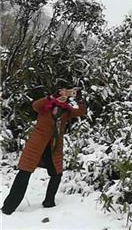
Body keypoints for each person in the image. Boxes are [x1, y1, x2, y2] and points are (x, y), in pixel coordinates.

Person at [2, 87, 87, 215]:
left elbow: (81, 111)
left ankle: (49, 202)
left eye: (66, 95)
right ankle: (8, 207)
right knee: (24, 174)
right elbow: (35, 105)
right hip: (36, 145)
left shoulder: (66, 111)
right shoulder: (45, 106)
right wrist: (52, 97)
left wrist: (79, 98)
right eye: (61, 94)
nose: (63, 97)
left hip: (53, 148)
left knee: (56, 174)